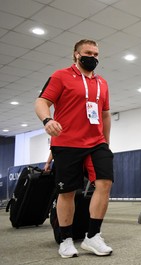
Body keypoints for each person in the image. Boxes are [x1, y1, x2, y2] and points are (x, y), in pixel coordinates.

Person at [35, 39, 114, 259]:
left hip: (96, 142)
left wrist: (106, 142)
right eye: (88, 52)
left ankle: (93, 236)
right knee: (67, 191)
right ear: (76, 55)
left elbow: (105, 114)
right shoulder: (61, 76)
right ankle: (66, 239)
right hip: (67, 142)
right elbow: (41, 101)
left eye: (96, 54)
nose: (93, 57)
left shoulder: (102, 83)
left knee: (105, 182)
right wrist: (47, 120)